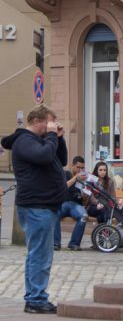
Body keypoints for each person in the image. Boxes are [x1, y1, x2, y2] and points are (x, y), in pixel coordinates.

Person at [1, 105, 68, 313]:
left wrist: (59, 138)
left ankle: (35, 298)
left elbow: (61, 159)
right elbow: (45, 156)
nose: (51, 126)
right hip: (36, 206)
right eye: (49, 122)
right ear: (38, 121)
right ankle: (37, 300)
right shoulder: (24, 141)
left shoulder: (41, 141)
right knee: (40, 255)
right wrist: (50, 136)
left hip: (43, 205)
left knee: (37, 254)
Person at [53, 155, 88, 250]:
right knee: (54, 214)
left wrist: (85, 192)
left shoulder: (84, 178)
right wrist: (76, 178)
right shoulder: (65, 174)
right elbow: (64, 186)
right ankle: (55, 243)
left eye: (82, 168)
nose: (80, 170)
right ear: (72, 166)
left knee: (83, 216)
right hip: (63, 203)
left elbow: (85, 199)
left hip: (76, 205)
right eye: (78, 167)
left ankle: (74, 243)